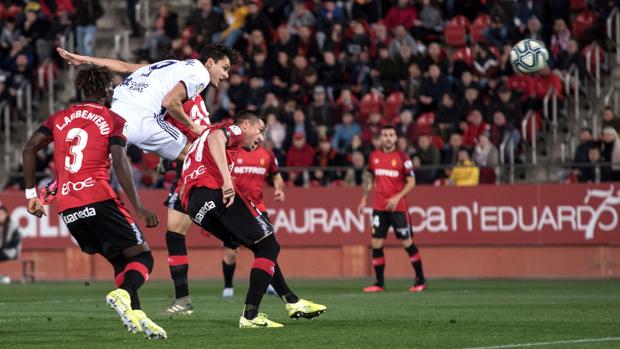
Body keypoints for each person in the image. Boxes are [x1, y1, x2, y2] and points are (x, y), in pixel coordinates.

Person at [21, 66, 166, 339]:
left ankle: (137, 315)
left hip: (69, 207)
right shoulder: (113, 119)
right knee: (143, 256)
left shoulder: (59, 118)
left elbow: (29, 148)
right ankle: (124, 295)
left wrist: (33, 196)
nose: (113, 92)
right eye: (112, 88)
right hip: (99, 199)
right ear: (105, 90)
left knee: (121, 261)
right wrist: (139, 207)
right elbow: (121, 162)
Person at [181, 110, 326, 328]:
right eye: (260, 130)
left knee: (261, 249)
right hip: (214, 192)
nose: (260, 137)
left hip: (195, 207)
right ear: (246, 124)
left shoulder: (204, 137)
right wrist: (227, 182)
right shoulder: (234, 130)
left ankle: (291, 300)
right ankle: (250, 316)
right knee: (269, 246)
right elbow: (217, 137)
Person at [55, 44, 238, 162]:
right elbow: (170, 102)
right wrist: (193, 126)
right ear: (210, 63)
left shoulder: (172, 64)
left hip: (116, 113)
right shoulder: (201, 75)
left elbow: (125, 67)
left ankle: (52, 187)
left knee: (88, 160)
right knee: (198, 155)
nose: (226, 75)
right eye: (224, 68)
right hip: (143, 121)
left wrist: (84, 59)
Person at [357, 125, 426, 293]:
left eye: (391, 135)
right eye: (385, 135)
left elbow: (411, 182)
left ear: (395, 138)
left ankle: (420, 279)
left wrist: (397, 197)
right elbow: (369, 177)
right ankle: (379, 282)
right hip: (379, 207)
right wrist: (364, 198)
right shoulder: (374, 156)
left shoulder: (403, 157)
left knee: (407, 242)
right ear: (381, 138)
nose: (388, 138)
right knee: (376, 243)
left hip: (398, 208)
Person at [221, 145, 285, 298]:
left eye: (262, 131)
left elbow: (276, 175)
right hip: (234, 209)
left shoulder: (267, 154)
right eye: (258, 130)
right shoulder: (231, 151)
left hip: (258, 209)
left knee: (268, 248)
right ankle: (228, 286)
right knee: (231, 252)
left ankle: (269, 284)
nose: (259, 135)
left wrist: (279, 189)